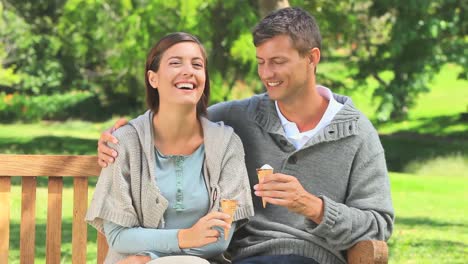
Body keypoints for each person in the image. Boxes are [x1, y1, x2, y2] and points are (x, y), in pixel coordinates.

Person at [97, 7, 394, 264]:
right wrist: (124, 133)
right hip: (245, 258)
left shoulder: (357, 134)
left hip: (314, 256)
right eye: (261, 62)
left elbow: (378, 225)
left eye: (278, 61)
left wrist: (314, 207)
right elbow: (177, 115)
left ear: (311, 58)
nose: (267, 74)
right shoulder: (237, 117)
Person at [86, 32, 254, 264]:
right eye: (175, 63)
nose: (189, 71)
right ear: (153, 79)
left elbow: (219, 238)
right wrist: (185, 238)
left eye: (197, 65)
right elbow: (118, 237)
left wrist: (149, 256)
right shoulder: (124, 143)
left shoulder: (226, 144)